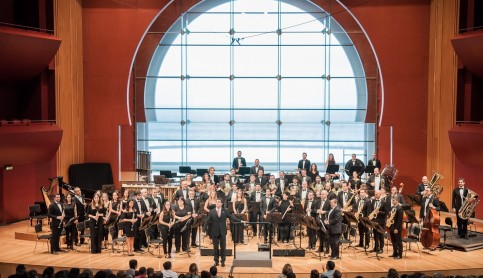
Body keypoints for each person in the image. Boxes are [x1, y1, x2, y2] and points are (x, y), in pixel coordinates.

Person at [202, 199, 244, 267]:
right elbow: (206, 221)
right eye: (216, 202)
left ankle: (223, 261)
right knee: (215, 247)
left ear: (221, 203)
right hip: (214, 232)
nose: (217, 203)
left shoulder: (225, 211)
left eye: (219, 202)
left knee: (223, 248)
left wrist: (241, 221)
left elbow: (231, 217)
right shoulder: (211, 212)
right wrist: (203, 230)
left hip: (222, 232)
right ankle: (216, 261)